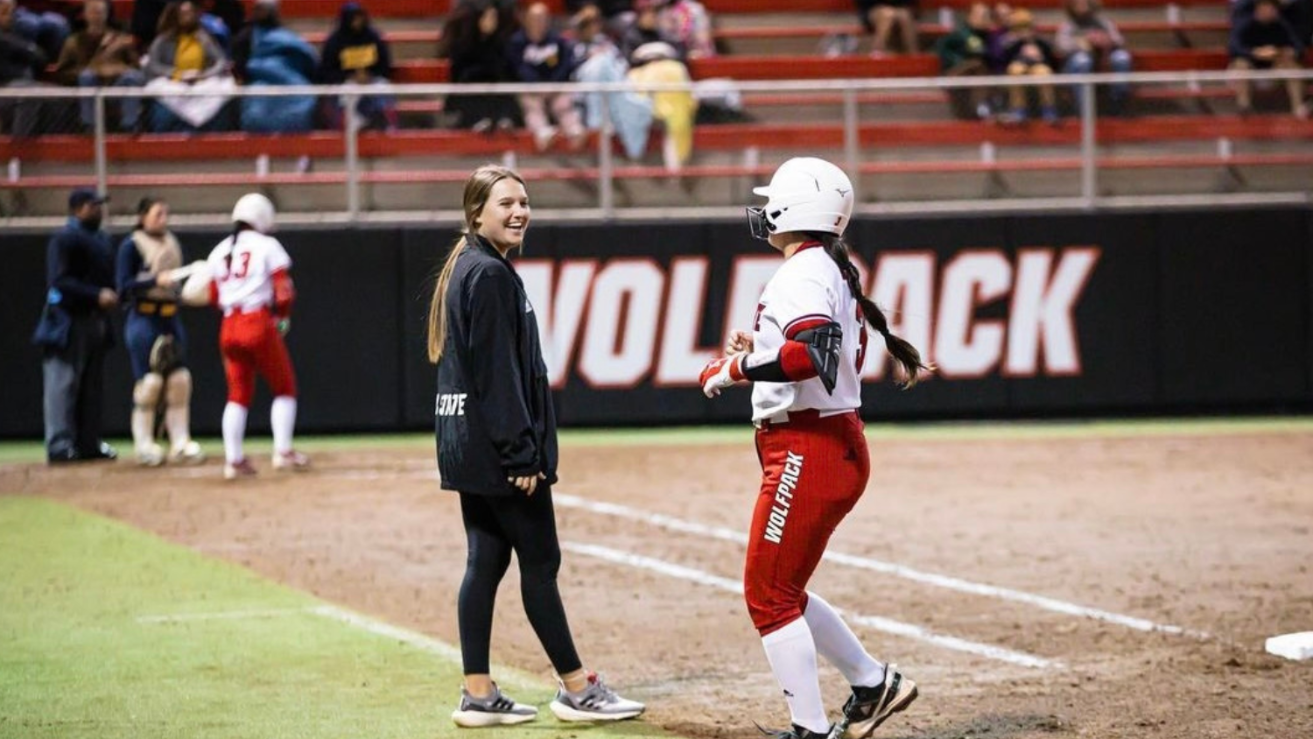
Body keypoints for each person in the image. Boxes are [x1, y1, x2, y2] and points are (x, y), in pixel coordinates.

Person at [698, 157, 926, 739]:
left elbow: (812, 357)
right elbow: (808, 349)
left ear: (797, 207)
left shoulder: (803, 272)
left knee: (767, 595)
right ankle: (873, 684)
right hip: (820, 441)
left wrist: (738, 365)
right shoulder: (821, 267)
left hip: (811, 444)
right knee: (782, 588)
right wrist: (762, 348)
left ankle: (809, 729)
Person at [426, 165, 646, 728]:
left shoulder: (470, 267)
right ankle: (577, 688)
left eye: (524, 202)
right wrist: (521, 453)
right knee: (540, 562)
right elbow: (498, 376)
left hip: (465, 445)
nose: (520, 212)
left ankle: (478, 693)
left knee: (486, 561)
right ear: (477, 213)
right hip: (497, 451)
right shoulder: (491, 275)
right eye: (506, 204)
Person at [194, 193, 309, 480]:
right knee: (284, 386)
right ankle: (282, 451)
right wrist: (282, 317)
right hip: (256, 321)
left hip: (229, 324)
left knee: (237, 394)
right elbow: (283, 290)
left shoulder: (219, 250)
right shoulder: (268, 245)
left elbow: (213, 295)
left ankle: (233, 460)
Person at [115, 197, 205, 467]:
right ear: (142, 216)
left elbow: (178, 283)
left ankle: (180, 441)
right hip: (144, 317)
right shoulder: (132, 245)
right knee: (150, 383)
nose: (163, 219)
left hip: (170, 317)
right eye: (157, 214)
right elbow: (123, 286)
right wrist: (155, 280)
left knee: (179, 379)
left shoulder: (172, 242)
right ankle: (144, 443)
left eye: (166, 213)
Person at [32, 188, 119, 465]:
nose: (99, 210)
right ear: (79, 208)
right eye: (94, 206)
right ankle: (59, 444)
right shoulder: (65, 238)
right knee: (63, 383)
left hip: (96, 319)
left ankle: (88, 442)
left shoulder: (102, 239)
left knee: (92, 386)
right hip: (68, 320)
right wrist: (96, 295)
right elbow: (59, 281)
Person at [144, 0, 235, 132]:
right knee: (162, 90)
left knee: (225, 87)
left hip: (200, 80)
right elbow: (153, 65)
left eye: (190, 13)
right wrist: (177, 74)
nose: (187, 17)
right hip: (172, 82)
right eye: (183, 14)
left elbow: (220, 61)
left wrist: (203, 74)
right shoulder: (163, 39)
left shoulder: (204, 38)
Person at [53, 0, 144, 132]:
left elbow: (136, 68)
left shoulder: (120, 39)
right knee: (87, 76)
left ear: (107, 14)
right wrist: (95, 70)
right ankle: (90, 126)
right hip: (87, 90)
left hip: (114, 90)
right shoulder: (73, 42)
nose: (97, 16)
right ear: (85, 14)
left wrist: (118, 70)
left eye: (100, 12)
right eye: (93, 12)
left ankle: (130, 126)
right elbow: (62, 72)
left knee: (132, 77)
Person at [508, 2, 585, 151]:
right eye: (535, 19)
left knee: (563, 103)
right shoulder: (517, 42)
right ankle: (543, 132)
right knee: (531, 104)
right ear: (527, 20)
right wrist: (537, 84)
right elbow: (518, 67)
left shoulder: (558, 41)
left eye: (542, 19)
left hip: (555, 86)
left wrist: (553, 84)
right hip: (531, 88)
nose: (539, 23)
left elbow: (566, 65)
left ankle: (574, 130)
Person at [318, 1, 397, 130]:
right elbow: (326, 71)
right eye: (353, 18)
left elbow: (385, 66)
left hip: (372, 81)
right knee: (344, 96)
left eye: (360, 18)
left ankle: (384, 126)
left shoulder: (374, 37)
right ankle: (351, 128)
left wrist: (369, 76)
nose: (357, 22)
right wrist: (350, 77)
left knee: (383, 90)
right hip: (343, 84)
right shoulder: (335, 41)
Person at [442, 0, 519, 131]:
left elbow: (503, 67)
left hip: (494, 85)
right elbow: (459, 70)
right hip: (468, 86)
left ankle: (504, 120)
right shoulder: (464, 42)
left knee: (503, 89)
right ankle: (478, 121)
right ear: (478, 18)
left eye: (494, 17)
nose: (491, 21)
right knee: (472, 90)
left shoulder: (502, 41)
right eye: (488, 17)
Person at [1229, 0, 1308, 118]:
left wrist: (1290, 51)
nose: (1268, 12)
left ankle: (1297, 107)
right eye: (1264, 9)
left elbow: (1298, 46)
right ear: (1257, 10)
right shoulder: (1245, 25)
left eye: (1271, 9)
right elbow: (1234, 47)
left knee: (1292, 67)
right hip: (1251, 65)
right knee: (1241, 64)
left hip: (1274, 65)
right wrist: (1254, 53)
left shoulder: (1282, 25)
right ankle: (1244, 105)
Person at [1056, 0, 1132, 116]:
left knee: (1122, 58)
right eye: (1078, 4)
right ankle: (1084, 113)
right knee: (1082, 60)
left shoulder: (1104, 23)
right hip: (1080, 65)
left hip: (1103, 61)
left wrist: (1106, 40)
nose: (1082, 6)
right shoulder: (1068, 26)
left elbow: (1119, 40)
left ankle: (1117, 105)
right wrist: (1081, 43)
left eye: (1085, 3)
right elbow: (1061, 46)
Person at [999, 8, 1060, 124]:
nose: (1024, 30)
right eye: (1020, 27)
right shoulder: (1009, 41)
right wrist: (1019, 42)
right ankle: (1019, 110)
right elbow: (1004, 58)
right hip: (1019, 65)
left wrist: (1038, 53)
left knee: (1044, 72)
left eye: (1026, 26)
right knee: (1015, 70)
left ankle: (1049, 109)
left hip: (1037, 66)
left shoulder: (1040, 41)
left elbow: (1051, 59)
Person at [0, 0, 47, 138]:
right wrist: (26, 49)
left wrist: (25, 49)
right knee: (29, 91)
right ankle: (18, 147)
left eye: (11, 13)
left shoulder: (17, 33)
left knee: (55, 94)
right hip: (5, 87)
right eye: (3, 13)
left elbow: (41, 58)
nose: (9, 17)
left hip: (14, 85)